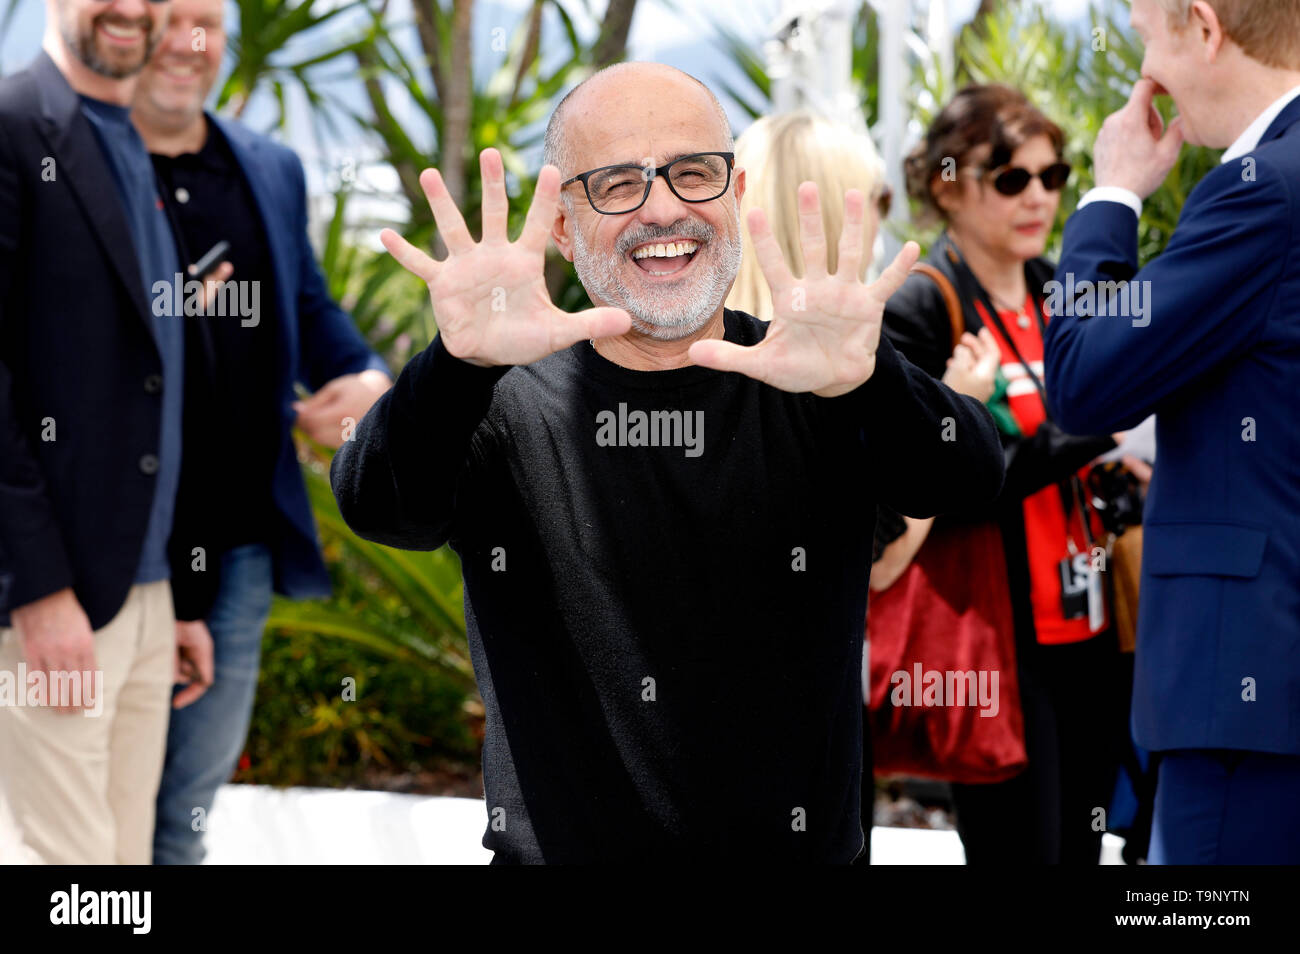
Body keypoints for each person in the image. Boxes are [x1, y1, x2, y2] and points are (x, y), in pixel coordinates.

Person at [330, 61, 1006, 863]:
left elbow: (969, 480)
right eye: (617, 183)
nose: (662, 208)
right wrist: (454, 364)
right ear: (560, 224)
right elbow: (376, 503)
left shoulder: (818, 373)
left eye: (693, 174)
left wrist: (876, 379)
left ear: (736, 191)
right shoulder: (498, 398)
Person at [129, 0, 392, 865]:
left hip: (238, 547)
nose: (187, 43)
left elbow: (309, 308)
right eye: (166, 19)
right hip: (112, 552)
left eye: (206, 21)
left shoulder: (271, 167)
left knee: (185, 815)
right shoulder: (71, 169)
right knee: (96, 811)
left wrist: (362, 380)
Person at [1043, 0, 1300, 864]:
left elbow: (1082, 381)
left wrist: (1110, 194)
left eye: (1149, 38)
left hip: (1249, 704)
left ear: (1202, 25)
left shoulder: (1266, 191)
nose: (1144, 71)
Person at [725, 109, 1000, 865]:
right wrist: (956, 403)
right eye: (873, 205)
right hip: (807, 751)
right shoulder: (836, 372)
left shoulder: (694, 352)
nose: (881, 229)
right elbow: (877, 557)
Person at [883, 84, 1126, 864]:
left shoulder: (1059, 287)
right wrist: (1088, 432)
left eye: (1053, 178)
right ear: (951, 186)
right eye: (1013, 179)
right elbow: (936, 484)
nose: (1040, 198)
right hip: (995, 635)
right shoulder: (925, 306)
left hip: (1088, 622)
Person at [0, 0, 219, 864]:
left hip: (147, 591)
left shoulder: (130, 144)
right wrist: (36, 589)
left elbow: (152, 386)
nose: (130, 8)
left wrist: (176, 600)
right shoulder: (15, 126)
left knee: (124, 870)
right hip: (52, 600)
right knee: (72, 877)